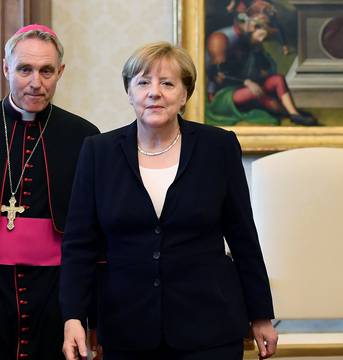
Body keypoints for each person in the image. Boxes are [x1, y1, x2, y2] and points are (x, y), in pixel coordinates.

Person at [59, 42, 277, 360]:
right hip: (127, 328)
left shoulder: (219, 147)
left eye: (167, 83)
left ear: (185, 94)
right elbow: (79, 244)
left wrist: (261, 315)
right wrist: (73, 317)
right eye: (143, 82)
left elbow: (243, 236)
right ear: (129, 92)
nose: (154, 92)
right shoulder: (98, 152)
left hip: (210, 326)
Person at [0, 24, 99, 360]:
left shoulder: (84, 136)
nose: (35, 82)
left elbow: (94, 226)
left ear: (60, 72)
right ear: (6, 68)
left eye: (46, 71)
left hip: (56, 288)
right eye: (24, 69)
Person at [205, 11, 317, 126]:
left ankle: (293, 113)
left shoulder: (252, 43)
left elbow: (265, 69)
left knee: (277, 79)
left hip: (246, 85)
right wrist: (246, 82)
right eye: (258, 32)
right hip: (225, 93)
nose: (261, 38)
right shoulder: (227, 42)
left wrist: (256, 48)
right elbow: (216, 74)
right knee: (256, 92)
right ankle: (287, 113)